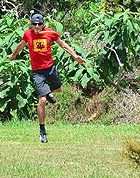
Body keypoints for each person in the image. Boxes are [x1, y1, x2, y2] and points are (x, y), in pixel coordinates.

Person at [8, 13, 86, 143]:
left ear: (44, 24)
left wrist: (75, 56)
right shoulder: (28, 34)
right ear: (31, 25)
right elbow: (21, 45)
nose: (37, 26)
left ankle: (48, 92)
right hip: (37, 71)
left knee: (59, 89)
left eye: (39, 24)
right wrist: (13, 55)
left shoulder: (50, 32)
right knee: (42, 100)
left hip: (50, 68)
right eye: (34, 24)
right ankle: (42, 131)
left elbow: (63, 45)